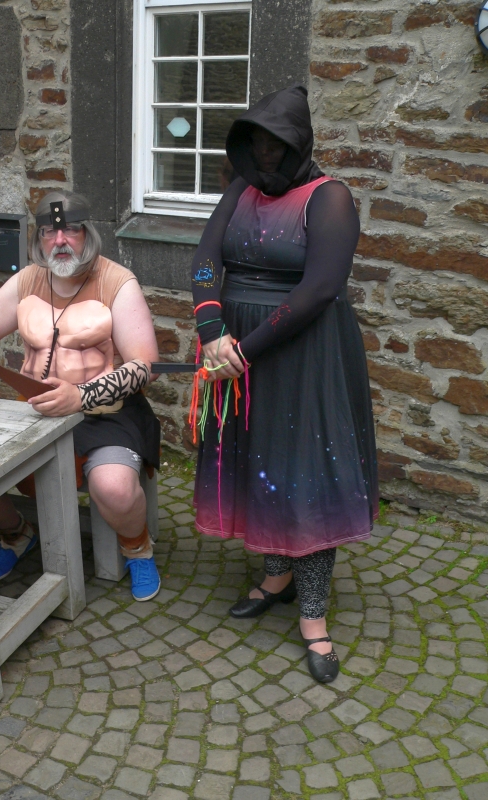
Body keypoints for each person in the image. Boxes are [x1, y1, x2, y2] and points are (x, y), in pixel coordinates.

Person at [190, 86, 378, 683]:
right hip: (234, 349)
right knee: (261, 460)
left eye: (277, 144)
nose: (266, 155)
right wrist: (211, 330)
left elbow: (321, 288)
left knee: (306, 471)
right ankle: (277, 577)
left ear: (300, 144)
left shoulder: (329, 197)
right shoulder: (240, 190)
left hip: (303, 353)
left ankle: (314, 613)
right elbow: (204, 259)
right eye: (257, 144)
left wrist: (243, 349)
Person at [0, 191, 162, 601]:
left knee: (115, 488)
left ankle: (137, 548)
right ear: (39, 238)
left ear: (88, 234)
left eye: (70, 230)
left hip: (106, 413)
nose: (60, 240)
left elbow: (145, 366)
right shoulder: (27, 281)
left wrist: (82, 395)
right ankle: (17, 533)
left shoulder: (117, 283)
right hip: (35, 410)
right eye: (50, 232)